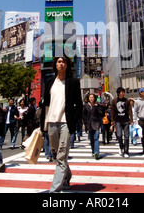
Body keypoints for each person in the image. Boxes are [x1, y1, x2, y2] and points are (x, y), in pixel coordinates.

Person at [40, 55, 83, 193]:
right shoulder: (49, 82)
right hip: (51, 121)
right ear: (55, 65)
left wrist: (75, 122)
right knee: (55, 154)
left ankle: (55, 189)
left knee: (62, 154)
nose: (61, 63)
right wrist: (42, 125)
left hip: (66, 122)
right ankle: (67, 175)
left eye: (63, 61)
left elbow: (79, 104)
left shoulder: (74, 82)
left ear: (67, 64)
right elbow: (45, 105)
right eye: (58, 61)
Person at [111, 87, 133, 158]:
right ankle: (121, 146)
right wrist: (112, 120)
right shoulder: (114, 101)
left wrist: (131, 120)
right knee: (119, 135)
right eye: (121, 92)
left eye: (123, 92)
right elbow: (113, 111)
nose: (123, 93)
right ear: (118, 93)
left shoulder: (126, 100)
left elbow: (129, 110)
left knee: (126, 136)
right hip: (118, 121)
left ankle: (126, 151)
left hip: (126, 120)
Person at [83, 93, 104, 160]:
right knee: (91, 139)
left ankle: (96, 152)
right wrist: (84, 123)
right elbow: (84, 116)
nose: (91, 98)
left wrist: (99, 106)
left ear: (94, 98)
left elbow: (101, 114)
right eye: (90, 97)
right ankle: (93, 151)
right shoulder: (86, 106)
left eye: (92, 97)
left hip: (96, 123)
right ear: (88, 98)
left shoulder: (96, 106)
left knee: (96, 138)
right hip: (89, 124)